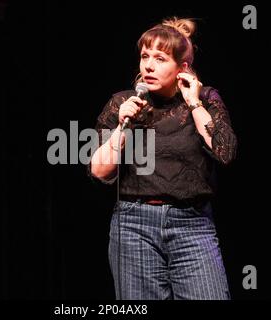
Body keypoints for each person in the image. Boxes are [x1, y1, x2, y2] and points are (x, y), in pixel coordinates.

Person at [88, 16, 237, 300]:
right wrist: (122, 127)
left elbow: (224, 152)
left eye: (160, 58)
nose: (149, 65)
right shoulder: (122, 102)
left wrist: (193, 102)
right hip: (134, 226)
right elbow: (99, 172)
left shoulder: (205, 99)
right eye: (145, 56)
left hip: (192, 225)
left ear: (182, 68)